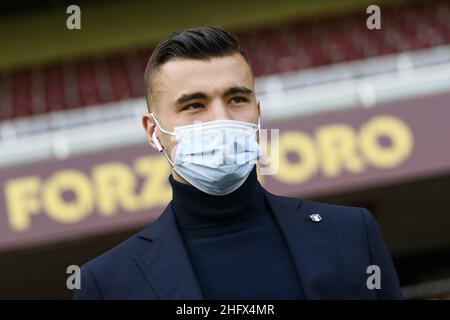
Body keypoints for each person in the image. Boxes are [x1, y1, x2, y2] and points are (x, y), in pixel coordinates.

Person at [74, 26, 403, 300]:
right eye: (194, 105)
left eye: (236, 99)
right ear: (153, 131)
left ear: (257, 113)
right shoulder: (107, 284)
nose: (220, 118)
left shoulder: (351, 232)